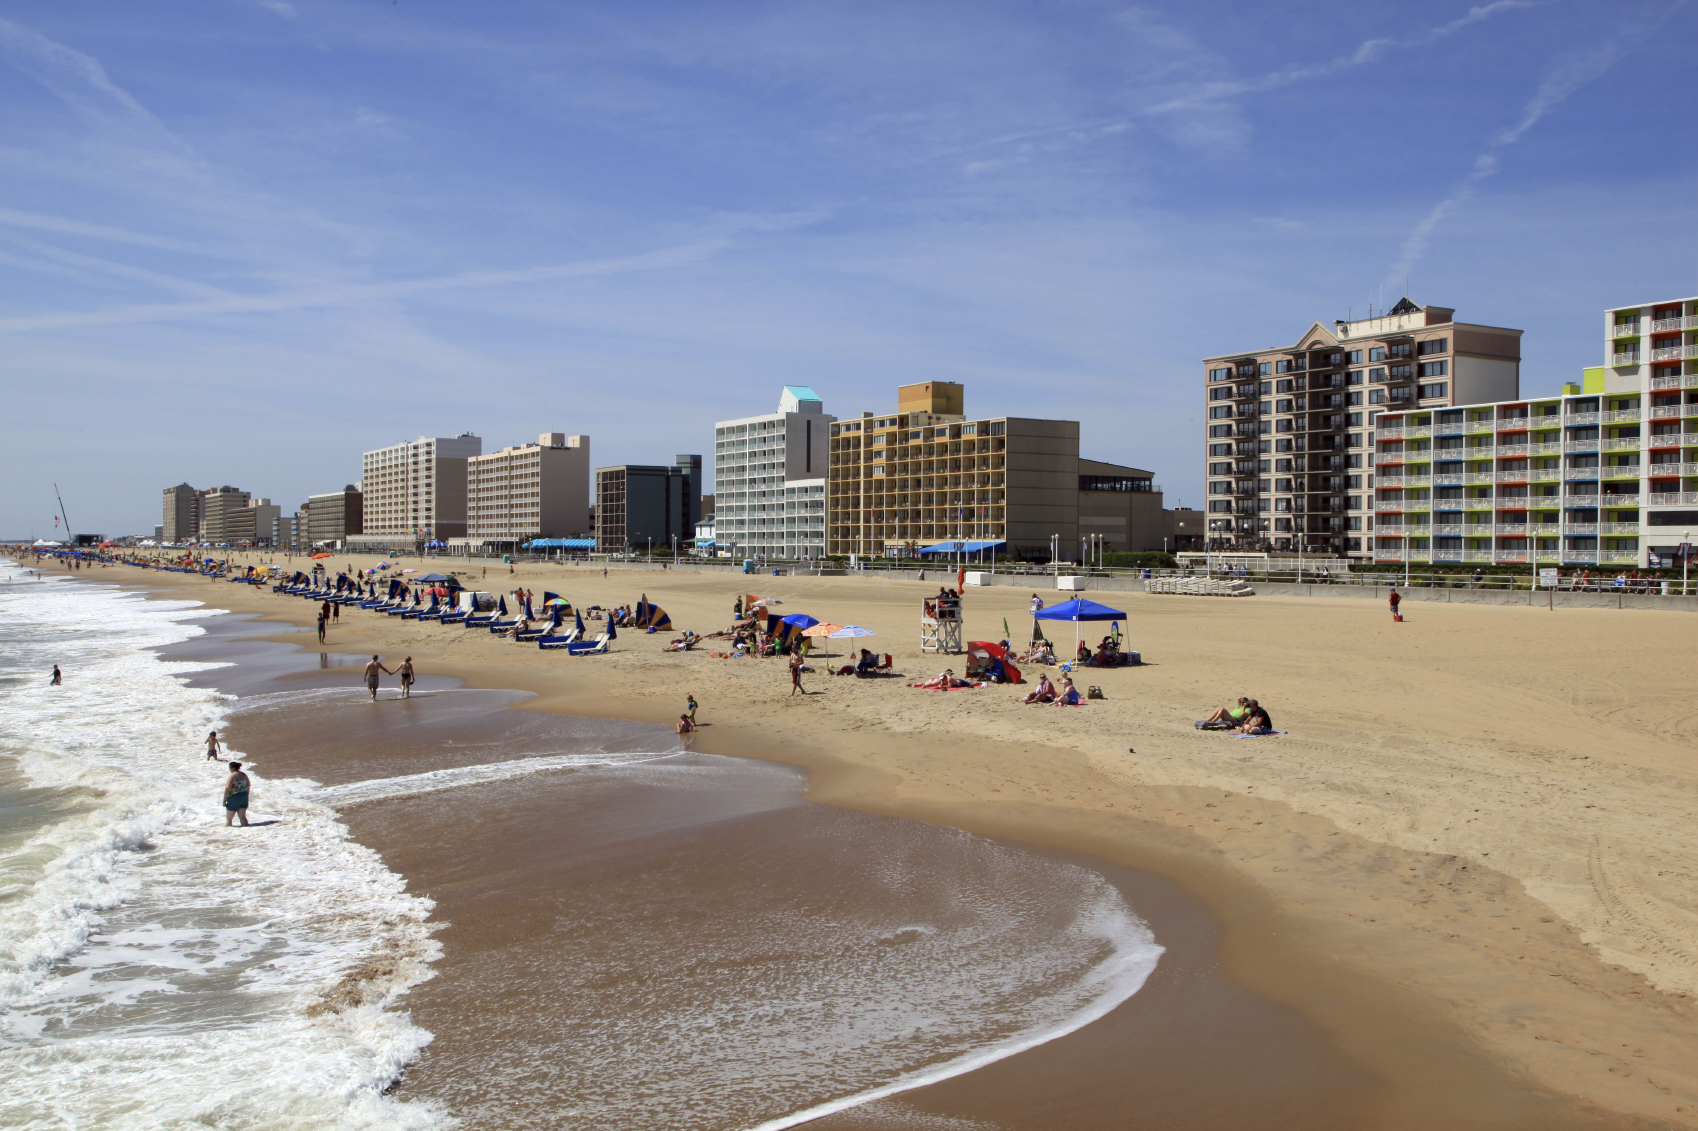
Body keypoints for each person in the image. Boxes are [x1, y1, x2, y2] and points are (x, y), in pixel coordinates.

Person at [223, 762, 251, 827]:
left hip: (234, 798)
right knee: (242, 817)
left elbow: (227, 788)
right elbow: (248, 786)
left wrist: (224, 800)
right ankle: (247, 831)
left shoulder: (232, 775)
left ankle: (225, 833)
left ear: (232, 768)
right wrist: (246, 796)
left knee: (229, 819)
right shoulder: (244, 775)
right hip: (244, 796)